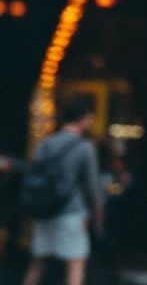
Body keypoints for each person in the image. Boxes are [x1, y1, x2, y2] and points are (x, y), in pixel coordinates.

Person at [22, 100, 102, 285]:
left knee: (37, 263)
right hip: (72, 212)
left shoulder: (44, 144)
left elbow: (33, 173)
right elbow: (92, 185)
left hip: (44, 210)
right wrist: (97, 215)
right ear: (83, 119)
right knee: (75, 264)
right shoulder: (84, 147)